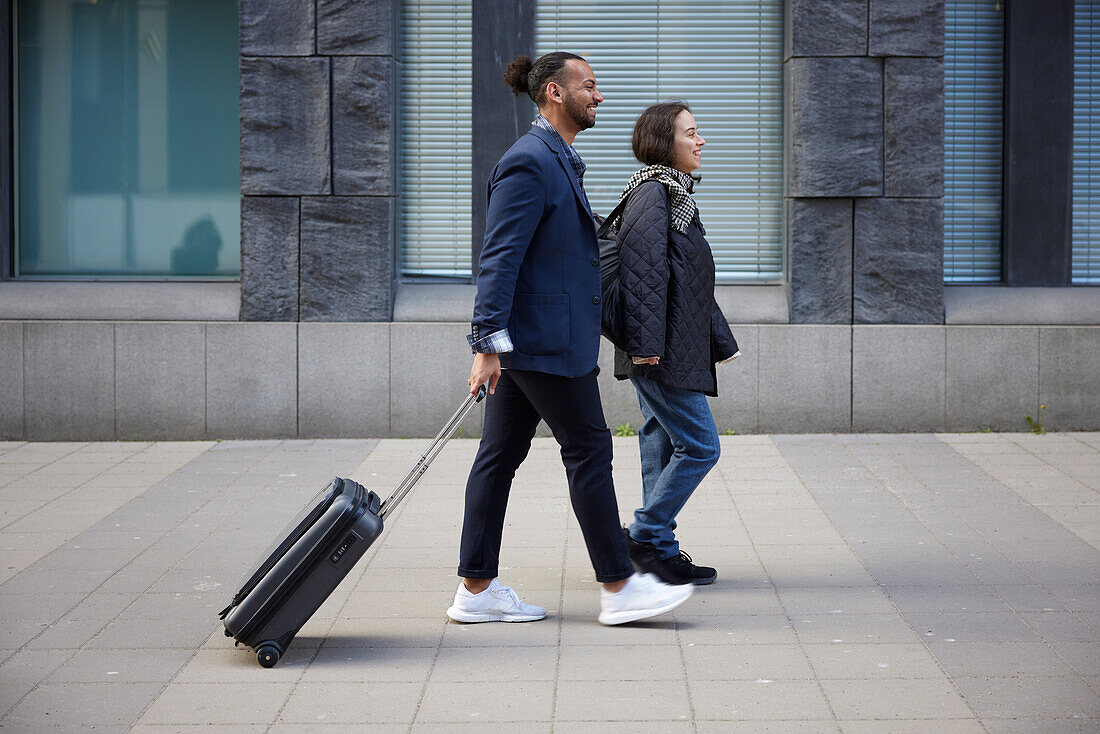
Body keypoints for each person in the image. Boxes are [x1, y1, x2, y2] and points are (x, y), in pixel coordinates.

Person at [446, 53, 694, 626]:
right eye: (590, 85)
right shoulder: (530, 161)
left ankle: (476, 590)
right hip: (543, 344)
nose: (598, 95)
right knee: (589, 450)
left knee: (498, 457)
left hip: (539, 342)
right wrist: (486, 344)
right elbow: (499, 258)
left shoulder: (556, 158)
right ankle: (619, 585)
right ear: (555, 92)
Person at [611, 101, 740, 586]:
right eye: (691, 133)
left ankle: (658, 550)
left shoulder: (677, 197)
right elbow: (643, 275)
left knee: (660, 442)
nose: (700, 140)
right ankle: (644, 534)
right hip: (658, 351)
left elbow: (691, 281)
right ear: (666, 142)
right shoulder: (653, 196)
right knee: (702, 446)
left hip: (670, 347)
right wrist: (645, 348)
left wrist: (720, 341)